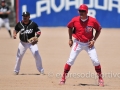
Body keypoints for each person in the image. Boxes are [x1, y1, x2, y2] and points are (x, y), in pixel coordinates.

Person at [59, 4, 104, 86]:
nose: (81, 12)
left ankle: (100, 78)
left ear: (86, 12)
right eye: (80, 11)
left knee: (95, 61)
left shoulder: (92, 21)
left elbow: (98, 29)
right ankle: (63, 78)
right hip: (78, 42)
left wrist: (94, 40)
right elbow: (70, 27)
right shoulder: (75, 20)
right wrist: (70, 39)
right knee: (70, 60)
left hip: (88, 43)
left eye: (83, 11)